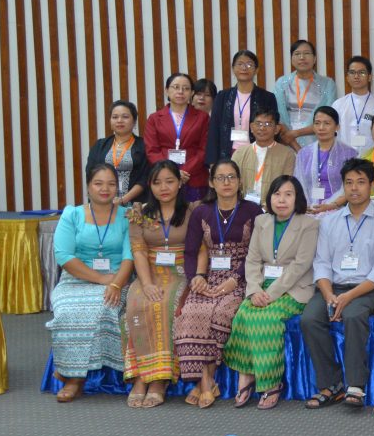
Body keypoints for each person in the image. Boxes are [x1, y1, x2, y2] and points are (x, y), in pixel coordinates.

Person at [299, 158, 374, 410]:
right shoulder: (330, 221)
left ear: (372, 185)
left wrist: (348, 297)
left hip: (369, 289)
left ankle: (356, 385)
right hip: (334, 288)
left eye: (361, 182)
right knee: (309, 318)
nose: (354, 188)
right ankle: (331, 384)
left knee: (353, 314)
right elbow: (321, 263)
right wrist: (328, 294)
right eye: (349, 183)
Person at [225, 176, 319, 409]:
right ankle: (246, 375)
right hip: (262, 285)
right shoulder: (261, 221)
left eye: (288, 194)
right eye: (277, 194)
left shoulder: (309, 224)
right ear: (270, 197)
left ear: (297, 198)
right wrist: (254, 290)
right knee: (243, 313)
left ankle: (271, 382)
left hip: (295, 288)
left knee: (266, 318)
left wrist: (270, 294)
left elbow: (300, 266)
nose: (282, 200)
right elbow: (252, 260)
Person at [176, 160, 262, 407]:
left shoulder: (253, 211)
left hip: (241, 276)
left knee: (221, 313)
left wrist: (236, 279)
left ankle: (205, 383)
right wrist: (196, 277)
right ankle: (206, 382)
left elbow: (257, 252)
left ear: (240, 181)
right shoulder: (201, 212)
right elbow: (190, 251)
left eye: (231, 177)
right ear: (211, 183)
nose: (226, 182)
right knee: (192, 311)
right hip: (208, 275)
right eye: (220, 178)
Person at [48, 162, 133, 401]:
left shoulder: (127, 216)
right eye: (98, 183)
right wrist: (100, 278)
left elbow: (130, 256)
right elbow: (64, 256)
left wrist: (115, 284)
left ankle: (86, 376)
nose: (105, 189)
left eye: (111, 184)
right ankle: (70, 375)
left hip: (117, 279)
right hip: (75, 279)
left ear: (117, 188)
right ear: (87, 187)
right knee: (66, 310)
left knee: (103, 306)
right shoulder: (72, 214)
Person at [122, 161, 190, 408]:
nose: (164, 187)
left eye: (169, 181)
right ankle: (141, 377)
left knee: (165, 305)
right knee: (137, 304)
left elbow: (199, 248)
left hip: (180, 273)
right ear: (150, 185)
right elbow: (139, 250)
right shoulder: (139, 212)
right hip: (148, 272)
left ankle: (159, 379)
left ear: (179, 183)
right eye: (157, 182)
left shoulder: (192, 211)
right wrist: (147, 283)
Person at [206, 49, 279, 166]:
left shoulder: (267, 97)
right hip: (227, 153)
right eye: (240, 64)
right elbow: (214, 129)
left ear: (256, 70)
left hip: (258, 153)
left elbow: (273, 129)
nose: (244, 68)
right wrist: (212, 162)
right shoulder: (222, 96)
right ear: (233, 68)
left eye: (249, 64)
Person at [144, 74, 210, 201]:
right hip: (163, 179)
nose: (180, 91)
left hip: (193, 177)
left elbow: (204, 150)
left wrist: (184, 171)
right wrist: (171, 172)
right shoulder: (154, 118)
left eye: (186, 88)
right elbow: (152, 150)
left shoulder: (203, 118)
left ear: (192, 93)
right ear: (166, 90)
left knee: (194, 213)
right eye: (176, 87)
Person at [274, 39, 336, 149]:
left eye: (307, 53)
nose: (302, 57)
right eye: (297, 54)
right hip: (286, 142)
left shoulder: (327, 84)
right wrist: (294, 143)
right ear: (291, 59)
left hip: (316, 143)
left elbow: (328, 118)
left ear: (314, 58)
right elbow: (277, 116)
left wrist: (296, 133)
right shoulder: (281, 83)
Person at [295, 106, 358, 214]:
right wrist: (303, 206)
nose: (321, 128)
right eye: (317, 123)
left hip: (338, 210)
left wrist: (331, 206)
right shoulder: (304, 154)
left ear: (337, 127)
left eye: (327, 123)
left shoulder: (350, 154)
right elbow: (297, 184)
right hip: (308, 210)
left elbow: (352, 187)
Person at [88, 100, 149, 206]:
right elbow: (90, 174)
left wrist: (123, 200)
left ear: (134, 121)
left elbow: (145, 178)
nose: (119, 121)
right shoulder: (100, 145)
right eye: (115, 117)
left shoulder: (144, 146)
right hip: (103, 203)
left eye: (125, 117)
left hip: (133, 205)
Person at [232, 108, 297, 205]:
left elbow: (287, 186)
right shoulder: (240, 153)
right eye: (258, 124)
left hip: (274, 208)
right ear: (251, 127)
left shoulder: (288, 155)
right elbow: (232, 183)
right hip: (243, 206)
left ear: (276, 129)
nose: (262, 128)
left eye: (268, 124)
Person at [333, 55, 374, 152]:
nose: (356, 76)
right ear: (347, 77)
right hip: (345, 157)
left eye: (361, 72)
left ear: (369, 77)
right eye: (352, 72)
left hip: (371, 157)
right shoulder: (338, 105)